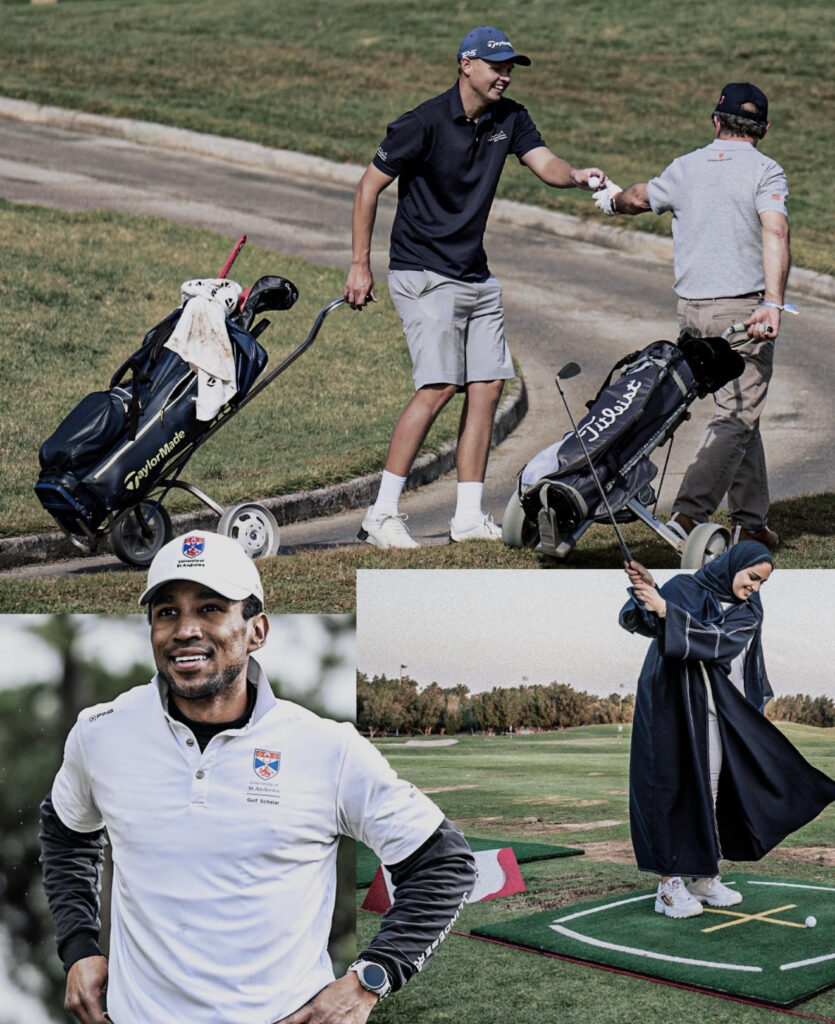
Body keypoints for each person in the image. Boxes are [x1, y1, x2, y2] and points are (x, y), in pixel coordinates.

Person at [39, 532, 476, 1024]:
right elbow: (66, 832)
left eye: (209, 609)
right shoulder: (101, 731)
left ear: (257, 630)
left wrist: (369, 979)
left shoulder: (327, 747)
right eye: (167, 612)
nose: (185, 630)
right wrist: (79, 946)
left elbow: (445, 864)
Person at [344, 25, 607, 548]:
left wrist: (575, 175)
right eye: (496, 66)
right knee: (440, 386)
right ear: (466, 64)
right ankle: (381, 514)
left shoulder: (510, 118)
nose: (505, 76)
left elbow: (544, 163)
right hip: (422, 272)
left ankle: (466, 517)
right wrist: (359, 264)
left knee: (487, 387)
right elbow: (368, 187)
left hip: (475, 275)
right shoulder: (421, 123)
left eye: (510, 67)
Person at [592, 83, 791, 550]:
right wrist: (774, 302)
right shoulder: (767, 171)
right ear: (764, 128)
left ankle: (751, 521)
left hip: (691, 315)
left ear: (716, 121)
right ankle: (687, 516)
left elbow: (640, 197)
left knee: (741, 410)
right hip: (744, 313)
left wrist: (611, 201)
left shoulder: (686, 166)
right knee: (736, 418)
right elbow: (776, 232)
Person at [620, 543, 835, 919]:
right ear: (732, 565)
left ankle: (703, 876)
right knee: (669, 788)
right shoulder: (683, 586)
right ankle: (668, 886)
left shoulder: (749, 610)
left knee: (714, 792)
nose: (755, 587)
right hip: (670, 705)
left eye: (762, 582)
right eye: (753, 577)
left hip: (722, 711)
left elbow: (718, 644)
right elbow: (642, 624)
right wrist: (650, 595)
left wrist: (666, 608)